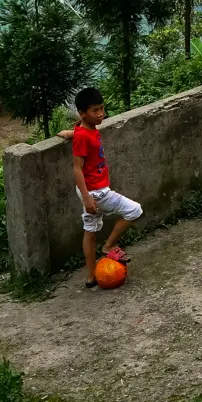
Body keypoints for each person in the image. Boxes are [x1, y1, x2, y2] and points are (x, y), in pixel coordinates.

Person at [69, 86, 142, 287]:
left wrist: (70, 134)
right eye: (95, 111)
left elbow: (79, 132)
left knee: (90, 231)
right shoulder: (83, 135)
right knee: (134, 211)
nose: (101, 114)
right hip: (96, 192)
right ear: (83, 113)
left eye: (102, 108)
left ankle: (91, 276)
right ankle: (109, 245)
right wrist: (86, 197)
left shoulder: (84, 129)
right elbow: (77, 169)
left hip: (91, 191)